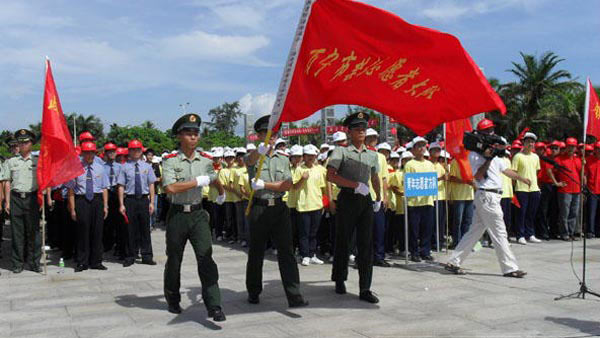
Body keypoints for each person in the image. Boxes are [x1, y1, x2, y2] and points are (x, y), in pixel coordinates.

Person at [162, 113, 226, 321]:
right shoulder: (170, 161)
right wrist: (196, 181)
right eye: (188, 133)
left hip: (198, 214)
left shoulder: (205, 161)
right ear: (180, 136)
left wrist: (222, 192)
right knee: (174, 260)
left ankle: (214, 304)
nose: (193, 137)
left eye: (196, 133)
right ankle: (172, 299)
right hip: (178, 215)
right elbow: (170, 187)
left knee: (206, 258)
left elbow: (213, 178)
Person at [244, 115, 308, 308]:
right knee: (256, 252)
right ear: (259, 136)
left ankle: (294, 294)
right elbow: (249, 160)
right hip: (259, 207)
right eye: (265, 134)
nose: (270, 138)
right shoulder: (255, 157)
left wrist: (266, 184)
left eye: (272, 135)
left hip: (279, 208)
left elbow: (287, 185)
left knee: (287, 252)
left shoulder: (283, 158)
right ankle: (253, 291)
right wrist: (260, 151)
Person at [446, 138, 529, 278]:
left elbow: (506, 170)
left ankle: (454, 261)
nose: (498, 147)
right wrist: (488, 159)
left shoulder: (496, 157)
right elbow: (477, 176)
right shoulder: (474, 155)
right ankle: (510, 268)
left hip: (491, 196)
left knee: (474, 232)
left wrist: (522, 179)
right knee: (500, 232)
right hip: (487, 195)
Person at [326, 112, 381, 304]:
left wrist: (379, 197)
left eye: (364, 129)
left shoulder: (372, 154)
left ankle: (365, 287)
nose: (361, 132)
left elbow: (374, 177)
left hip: (365, 200)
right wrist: (354, 185)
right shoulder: (341, 152)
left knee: (366, 245)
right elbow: (331, 176)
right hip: (347, 199)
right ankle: (340, 279)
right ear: (349, 132)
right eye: (357, 129)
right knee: (344, 241)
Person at [66, 141, 109, 272]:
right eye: (86, 153)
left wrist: (105, 206)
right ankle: (82, 262)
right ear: (82, 153)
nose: (89, 155)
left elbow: (104, 188)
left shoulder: (100, 168)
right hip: (82, 200)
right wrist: (72, 209)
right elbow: (71, 190)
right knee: (82, 231)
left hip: (97, 200)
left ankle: (96, 261)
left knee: (97, 231)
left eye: (92, 153)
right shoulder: (75, 168)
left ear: (95, 154)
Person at [2, 129, 41, 273]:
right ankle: (17, 263)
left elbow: (44, 180)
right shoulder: (11, 161)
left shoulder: (38, 161)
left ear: (32, 143)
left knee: (34, 233)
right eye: (21, 142)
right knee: (17, 233)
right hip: (16, 198)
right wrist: (7, 202)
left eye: (26, 142)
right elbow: (7, 182)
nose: (23, 145)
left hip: (32, 198)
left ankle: (34, 262)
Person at [117, 139, 157, 267]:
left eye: (138, 150)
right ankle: (130, 255)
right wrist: (121, 204)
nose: (136, 152)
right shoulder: (124, 167)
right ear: (129, 151)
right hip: (130, 200)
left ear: (141, 151)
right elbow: (121, 186)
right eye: (133, 150)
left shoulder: (147, 167)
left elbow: (151, 184)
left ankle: (147, 255)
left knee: (145, 228)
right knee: (130, 229)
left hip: (144, 199)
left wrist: (151, 202)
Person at [403, 136, 436, 262]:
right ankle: (414, 252)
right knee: (414, 230)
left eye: (423, 146)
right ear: (413, 149)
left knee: (427, 228)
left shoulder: (429, 164)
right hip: (414, 202)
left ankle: (425, 251)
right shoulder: (410, 164)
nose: (422, 148)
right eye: (419, 146)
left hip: (427, 201)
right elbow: (407, 182)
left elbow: (432, 180)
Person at [295, 144, 326, 266]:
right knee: (304, 232)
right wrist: (302, 179)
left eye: (313, 156)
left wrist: (324, 203)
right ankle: (305, 255)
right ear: (304, 157)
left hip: (317, 205)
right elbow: (295, 187)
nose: (311, 158)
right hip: (303, 205)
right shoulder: (299, 169)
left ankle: (312, 254)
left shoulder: (318, 169)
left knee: (314, 232)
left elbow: (322, 188)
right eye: (308, 156)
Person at [512, 132, 542, 244]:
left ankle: (530, 234)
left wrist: (537, 187)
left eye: (532, 142)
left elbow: (536, 172)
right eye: (528, 141)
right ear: (523, 143)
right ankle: (520, 235)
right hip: (521, 189)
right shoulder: (518, 156)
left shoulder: (535, 157)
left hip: (534, 189)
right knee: (521, 213)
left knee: (531, 213)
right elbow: (513, 174)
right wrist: (514, 188)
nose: (530, 144)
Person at [552, 137, 583, 241]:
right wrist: (556, 183)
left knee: (574, 212)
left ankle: (571, 232)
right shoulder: (559, 159)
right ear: (566, 146)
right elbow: (550, 170)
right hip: (565, 190)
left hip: (576, 190)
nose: (571, 148)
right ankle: (564, 233)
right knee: (564, 212)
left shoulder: (578, 160)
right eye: (569, 146)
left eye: (573, 146)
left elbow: (582, 174)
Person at [102, 142, 123, 257]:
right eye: (109, 152)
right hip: (106, 193)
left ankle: (118, 246)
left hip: (116, 193)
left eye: (113, 151)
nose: (111, 154)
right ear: (105, 153)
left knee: (118, 221)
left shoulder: (120, 167)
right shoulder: (102, 167)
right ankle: (106, 244)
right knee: (106, 221)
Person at [585, 142, 600, 238]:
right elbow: (585, 174)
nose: (599, 150)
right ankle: (590, 231)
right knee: (591, 212)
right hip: (592, 190)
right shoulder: (589, 160)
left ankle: (598, 231)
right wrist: (585, 187)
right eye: (597, 148)